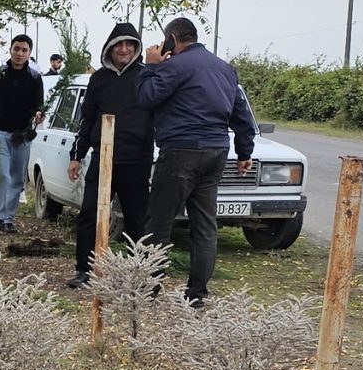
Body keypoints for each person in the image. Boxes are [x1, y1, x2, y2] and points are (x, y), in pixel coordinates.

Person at [134, 16, 256, 308]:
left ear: (172, 39)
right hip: (216, 151)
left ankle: (149, 289)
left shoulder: (173, 66)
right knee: (204, 225)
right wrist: (245, 153)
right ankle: (197, 294)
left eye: (166, 41)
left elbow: (145, 97)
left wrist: (151, 66)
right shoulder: (225, 69)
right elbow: (242, 116)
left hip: (180, 151)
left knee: (159, 222)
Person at [68, 22, 155, 288]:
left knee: (137, 218)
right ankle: (86, 269)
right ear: (110, 47)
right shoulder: (98, 79)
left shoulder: (145, 76)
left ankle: (137, 273)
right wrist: (77, 155)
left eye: (130, 44)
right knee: (90, 215)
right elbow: (87, 120)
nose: (124, 49)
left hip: (136, 160)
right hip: (102, 158)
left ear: (137, 48)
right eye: (119, 44)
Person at [0, 34, 46, 233]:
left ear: (29, 53)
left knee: (18, 177)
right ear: (10, 50)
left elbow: (39, 103)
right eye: (16, 49)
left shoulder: (35, 78)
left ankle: (9, 218)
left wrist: (38, 114)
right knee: (2, 174)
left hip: (22, 134)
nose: (19, 53)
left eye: (24, 50)